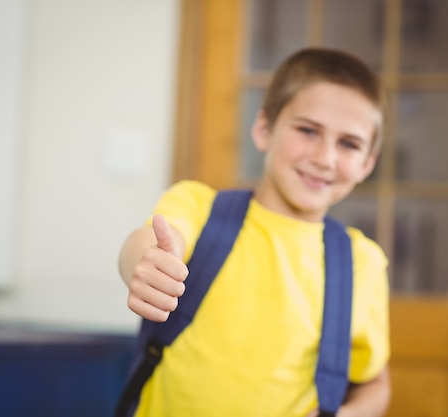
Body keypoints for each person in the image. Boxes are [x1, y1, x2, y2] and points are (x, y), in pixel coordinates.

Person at [118, 47, 391, 417]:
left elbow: (375, 382)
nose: (325, 158)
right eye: (308, 131)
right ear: (264, 130)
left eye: (349, 144)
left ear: (366, 164)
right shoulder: (199, 206)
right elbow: (151, 241)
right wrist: (145, 265)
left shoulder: (363, 263)